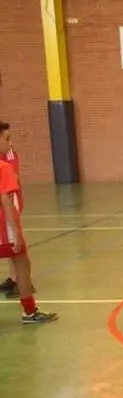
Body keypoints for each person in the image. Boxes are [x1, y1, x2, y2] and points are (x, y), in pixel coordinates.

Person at [0, 121, 57, 324]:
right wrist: (17, 233)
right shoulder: (4, 167)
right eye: (7, 139)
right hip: (4, 230)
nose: (11, 143)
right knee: (22, 264)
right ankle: (30, 312)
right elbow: (6, 202)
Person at [1, 124, 21, 299]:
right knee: (7, 242)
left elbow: (13, 176)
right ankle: (13, 277)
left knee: (15, 243)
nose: (10, 142)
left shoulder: (9, 155)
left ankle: (19, 281)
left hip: (9, 202)